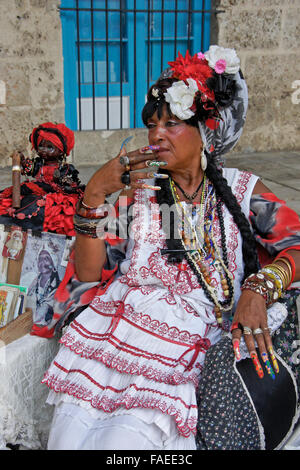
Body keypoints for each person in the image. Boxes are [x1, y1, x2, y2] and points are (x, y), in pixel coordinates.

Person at [42, 46, 300, 450]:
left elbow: (296, 247)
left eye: (172, 123)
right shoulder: (137, 195)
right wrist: (93, 195)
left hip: (188, 347)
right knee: (69, 441)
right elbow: (89, 274)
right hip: (116, 341)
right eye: (152, 124)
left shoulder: (243, 190)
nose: (156, 134)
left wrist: (258, 287)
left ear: (206, 132)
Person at [0, 122, 84, 236]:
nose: (43, 150)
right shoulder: (38, 164)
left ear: (61, 151)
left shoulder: (64, 168)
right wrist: (23, 160)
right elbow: (29, 169)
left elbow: (71, 183)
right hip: (35, 189)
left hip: (54, 192)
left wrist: (63, 180)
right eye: (41, 146)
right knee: (15, 199)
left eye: (50, 147)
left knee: (37, 206)